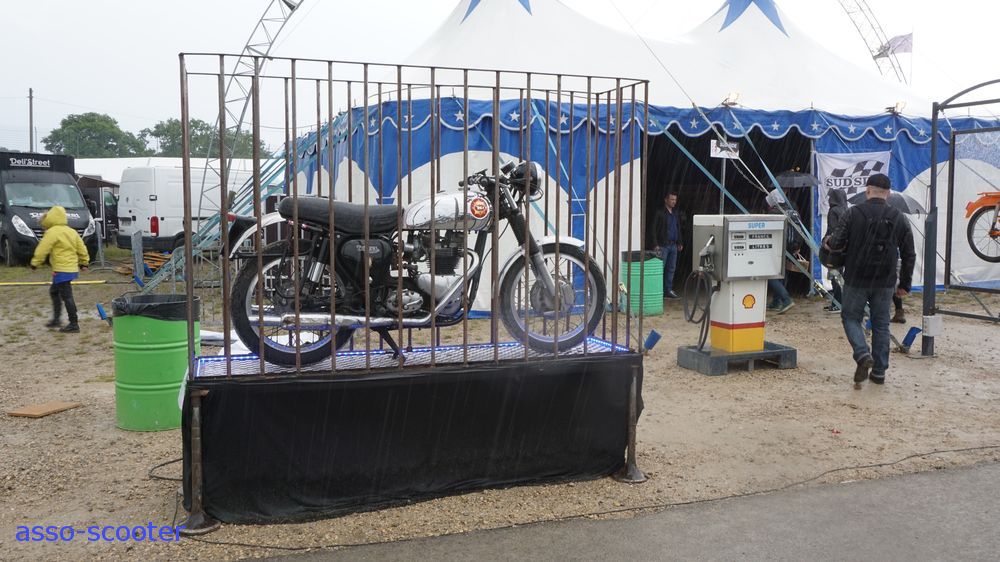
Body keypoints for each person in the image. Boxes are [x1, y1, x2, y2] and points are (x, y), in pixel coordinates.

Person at [827, 174, 915, 386]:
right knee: (881, 324)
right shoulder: (899, 217)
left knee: (850, 318)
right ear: (889, 194)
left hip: (856, 277)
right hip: (885, 280)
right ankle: (879, 372)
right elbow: (909, 253)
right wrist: (905, 284)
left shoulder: (852, 213)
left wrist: (828, 241)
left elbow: (836, 243)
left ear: (867, 191)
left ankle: (862, 353)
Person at [30, 205, 90, 333]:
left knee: (67, 296)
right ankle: (57, 320)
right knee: (54, 292)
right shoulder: (71, 231)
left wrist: (35, 263)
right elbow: (82, 248)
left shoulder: (52, 232)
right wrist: (84, 262)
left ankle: (74, 324)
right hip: (71, 268)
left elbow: (43, 248)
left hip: (61, 269)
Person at [653, 192, 686, 299]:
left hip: (673, 245)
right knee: (660, 269)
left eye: (675, 200)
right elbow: (653, 229)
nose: (674, 202)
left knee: (671, 268)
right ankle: (657, 290)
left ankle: (668, 290)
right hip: (663, 245)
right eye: (672, 199)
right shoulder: (660, 213)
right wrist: (655, 244)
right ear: (666, 200)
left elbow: (677, 228)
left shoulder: (675, 213)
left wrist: (680, 242)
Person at [824, 188, 849, 313]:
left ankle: (838, 304)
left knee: (835, 275)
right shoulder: (846, 210)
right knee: (840, 276)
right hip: (845, 247)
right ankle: (839, 302)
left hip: (835, 248)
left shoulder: (833, 211)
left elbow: (833, 230)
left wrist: (826, 242)